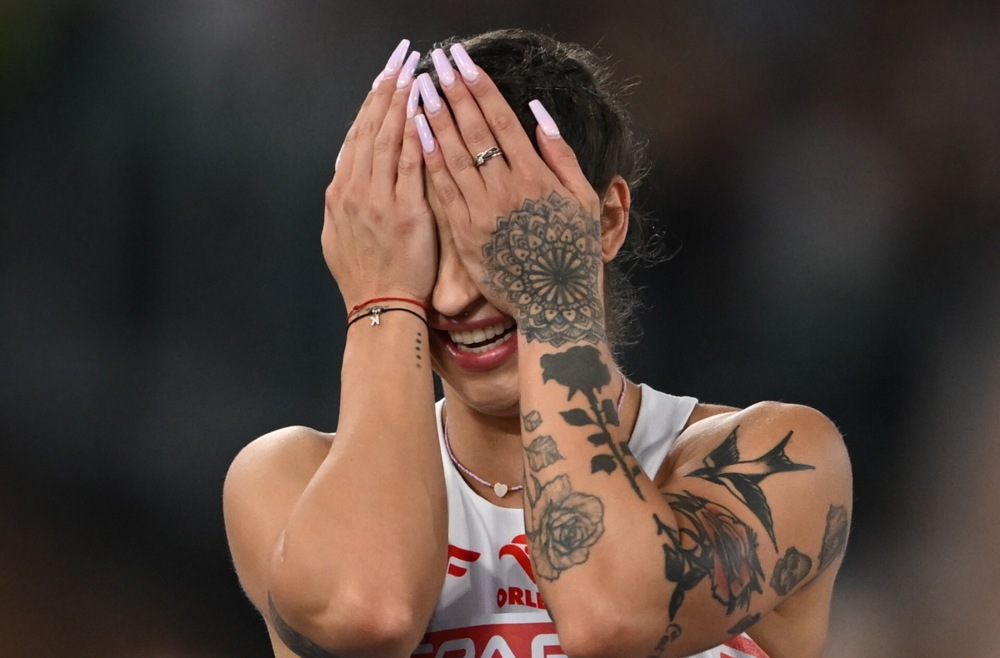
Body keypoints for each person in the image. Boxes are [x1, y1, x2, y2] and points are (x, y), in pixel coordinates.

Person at [223, 29, 853, 658]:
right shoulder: (285, 479)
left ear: (604, 222)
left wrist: (553, 296)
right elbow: (372, 612)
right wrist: (381, 302)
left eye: (490, 239)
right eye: (424, 241)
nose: (449, 297)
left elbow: (609, 616)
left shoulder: (779, 456)